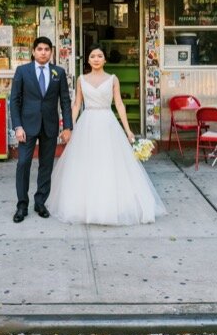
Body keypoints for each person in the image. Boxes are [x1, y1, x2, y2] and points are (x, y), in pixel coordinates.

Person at [47, 44, 167, 226]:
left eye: (99, 56)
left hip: (107, 122)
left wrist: (128, 131)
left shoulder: (113, 79)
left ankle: (111, 205)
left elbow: (119, 104)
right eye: (93, 56)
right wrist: (68, 127)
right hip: (87, 123)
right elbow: (77, 105)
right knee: (86, 162)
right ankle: (85, 205)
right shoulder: (81, 79)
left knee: (109, 162)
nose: (96, 59)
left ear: (104, 59)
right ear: (88, 60)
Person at [9, 36, 73, 223]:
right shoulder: (22, 71)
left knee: (46, 165)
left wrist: (67, 126)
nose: (43, 52)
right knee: (23, 164)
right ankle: (22, 205)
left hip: (50, 125)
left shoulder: (58, 73)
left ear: (51, 52)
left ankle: (40, 202)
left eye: (47, 49)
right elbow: (15, 100)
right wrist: (17, 126)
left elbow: (65, 101)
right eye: (40, 49)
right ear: (33, 51)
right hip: (26, 127)